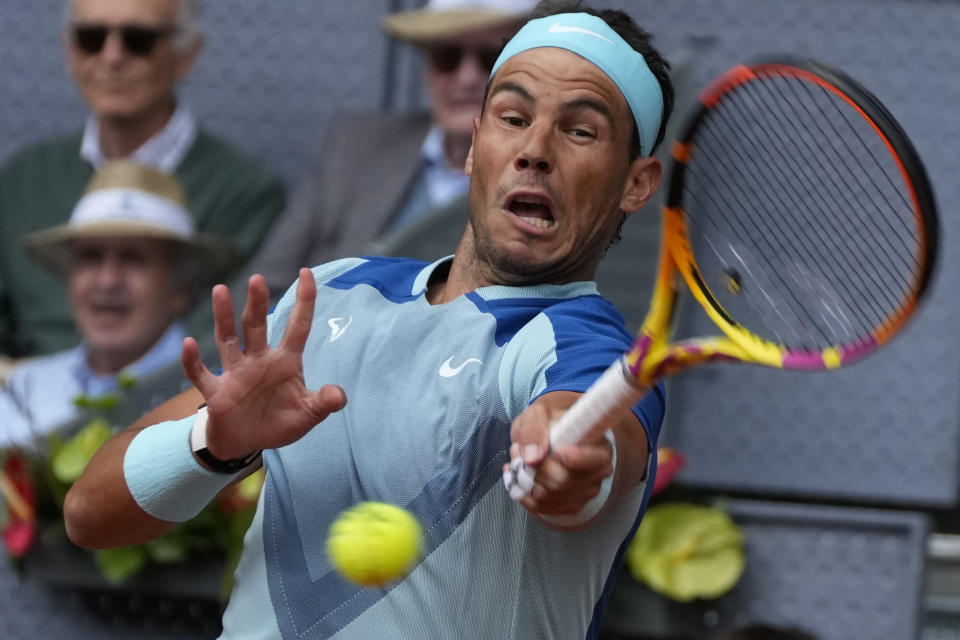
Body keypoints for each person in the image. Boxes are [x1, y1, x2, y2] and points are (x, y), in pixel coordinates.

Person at [64, 1, 675, 637]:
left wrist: (566, 452)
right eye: (513, 118)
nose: (534, 150)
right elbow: (89, 516)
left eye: (579, 131)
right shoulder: (332, 296)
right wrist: (214, 446)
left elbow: (593, 440)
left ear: (637, 183)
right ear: (473, 146)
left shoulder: (585, 351)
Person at [0, 0, 284, 359]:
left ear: (187, 55)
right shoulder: (24, 178)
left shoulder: (245, 192)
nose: (112, 56)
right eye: (91, 38)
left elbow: (222, 342)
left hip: (169, 405)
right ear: (70, 50)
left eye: (139, 39)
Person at [241, 0, 538, 300]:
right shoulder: (353, 145)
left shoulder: (540, 182)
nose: (467, 77)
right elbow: (262, 287)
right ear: (427, 70)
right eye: (447, 57)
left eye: (492, 59)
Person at [0, 160, 236, 449]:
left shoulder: (217, 390)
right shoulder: (25, 388)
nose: (108, 281)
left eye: (133, 258)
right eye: (91, 257)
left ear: (182, 288)